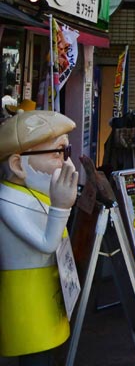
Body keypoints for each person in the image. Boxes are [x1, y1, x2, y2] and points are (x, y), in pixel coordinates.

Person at [0, 110, 79, 362]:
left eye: (66, 152)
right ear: (17, 164)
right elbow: (46, 244)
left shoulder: (36, 194)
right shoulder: (7, 200)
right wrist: (61, 207)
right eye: (57, 153)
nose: (66, 163)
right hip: (27, 301)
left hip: (48, 293)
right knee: (36, 357)